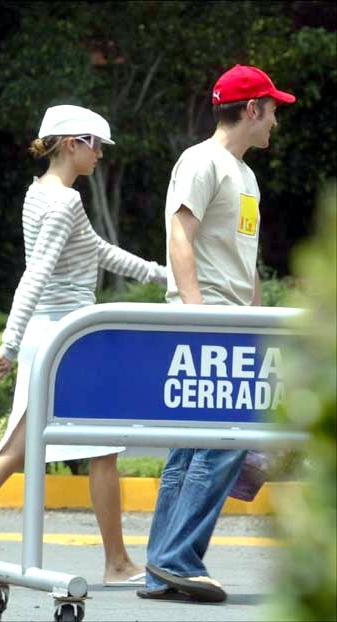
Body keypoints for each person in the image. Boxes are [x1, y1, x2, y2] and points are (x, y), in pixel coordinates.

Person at [0, 104, 166, 588]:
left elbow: (95, 250)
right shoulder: (62, 202)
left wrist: (160, 274)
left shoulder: (41, 194)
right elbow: (35, 275)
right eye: (96, 144)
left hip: (60, 336)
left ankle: (117, 561)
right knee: (20, 448)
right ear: (72, 143)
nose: (101, 154)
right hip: (63, 340)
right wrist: (9, 346)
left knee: (100, 448)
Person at [137, 65, 296, 603]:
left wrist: (257, 320)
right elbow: (181, 234)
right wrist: (196, 313)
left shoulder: (245, 175)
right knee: (222, 443)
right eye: (273, 108)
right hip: (207, 322)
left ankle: (164, 570)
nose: (276, 117)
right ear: (251, 110)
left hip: (235, 323)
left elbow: (242, 258)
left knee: (194, 448)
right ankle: (177, 558)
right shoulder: (200, 161)